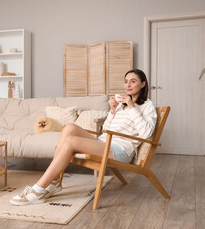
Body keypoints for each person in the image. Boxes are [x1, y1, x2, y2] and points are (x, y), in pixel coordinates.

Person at [10, 69, 157, 206]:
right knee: (69, 128)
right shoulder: (121, 104)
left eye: (133, 81)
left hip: (120, 150)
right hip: (104, 142)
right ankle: (54, 181)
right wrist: (113, 110)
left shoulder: (147, 106)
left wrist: (131, 106)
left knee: (70, 142)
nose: (128, 85)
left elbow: (146, 133)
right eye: (126, 81)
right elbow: (106, 129)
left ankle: (37, 190)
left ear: (143, 84)